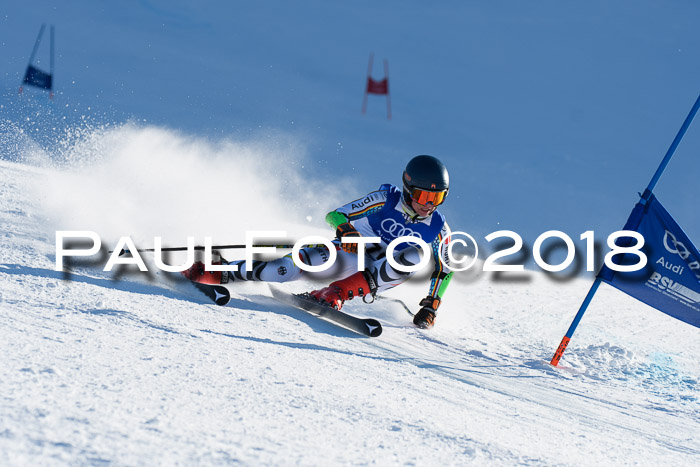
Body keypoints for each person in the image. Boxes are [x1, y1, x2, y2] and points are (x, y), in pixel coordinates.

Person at [183, 155, 454, 329]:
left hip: (375, 274)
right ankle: (216, 271)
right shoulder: (386, 199)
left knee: (412, 257)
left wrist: (432, 304)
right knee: (281, 271)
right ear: (408, 188)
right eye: (424, 197)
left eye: (437, 199)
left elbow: (445, 267)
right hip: (349, 254)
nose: (428, 206)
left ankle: (334, 294)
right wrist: (346, 230)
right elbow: (335, 214)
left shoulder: (438, 227)